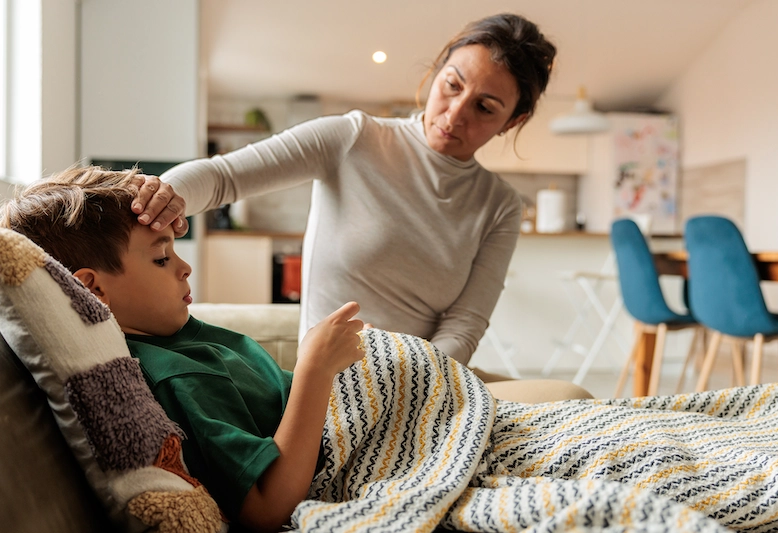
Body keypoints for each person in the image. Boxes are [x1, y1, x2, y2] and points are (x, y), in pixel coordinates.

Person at [133, 13, 557, 372]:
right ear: (438, 70)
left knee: (569, 400)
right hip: (331, 384)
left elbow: (464, 326)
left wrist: (417, 385)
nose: (455, 113)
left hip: (426, 379)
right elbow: (222, 177)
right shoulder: (354, 138)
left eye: (484, 108)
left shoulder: (499, 205)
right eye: (452, 84)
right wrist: (163, 194)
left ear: (511, 122)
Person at [1, 165, 365, 531]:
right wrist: (315, 368)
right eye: (161, 259)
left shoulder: (175, 338)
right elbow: (267, 506)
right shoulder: (175, 376)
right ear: (93, 291)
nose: (185, 267)